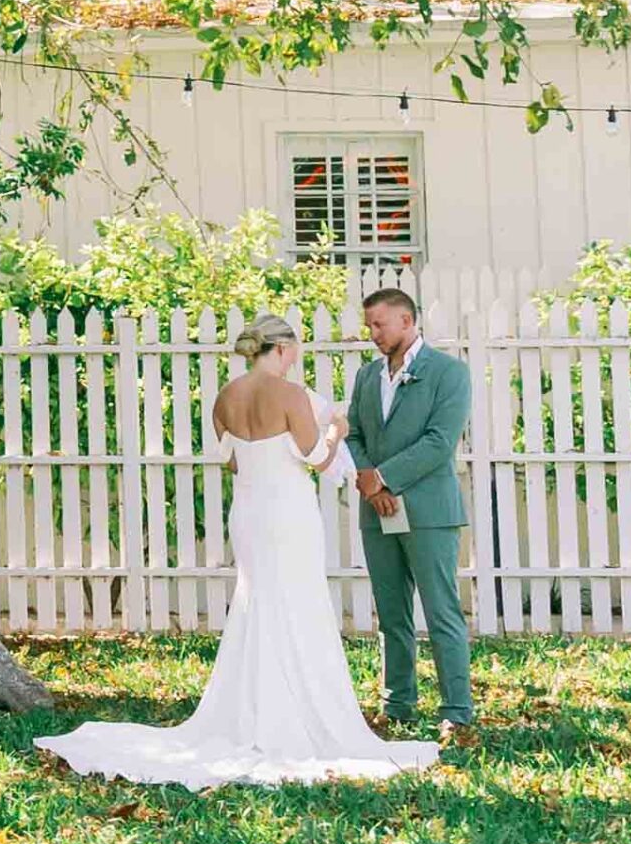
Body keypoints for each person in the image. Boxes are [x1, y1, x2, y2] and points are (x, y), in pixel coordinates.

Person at [33, 314, 442, 788]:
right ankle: (298, 712)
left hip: (248, 512)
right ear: (283, 349)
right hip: (287, 511)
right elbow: (317, 459)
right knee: (298, 602)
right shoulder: (290, 395)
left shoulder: (226, 396)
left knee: (258, 604)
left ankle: (253, 708)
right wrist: (335, 425)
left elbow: (231, 460)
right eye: (297, 348)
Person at [347, 286, 477, 743]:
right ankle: (396, 704)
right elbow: (354, 434)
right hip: (376, 508)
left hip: (428, 511)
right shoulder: (367, 377)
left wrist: (383, 478)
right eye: (369, 327)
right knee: (391, 612)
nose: (373, 335)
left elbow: (440, 442)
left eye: (379, 325)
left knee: (442, 610)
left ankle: (457, 712)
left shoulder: (449, 373)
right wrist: (369, 481)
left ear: (407, 321)